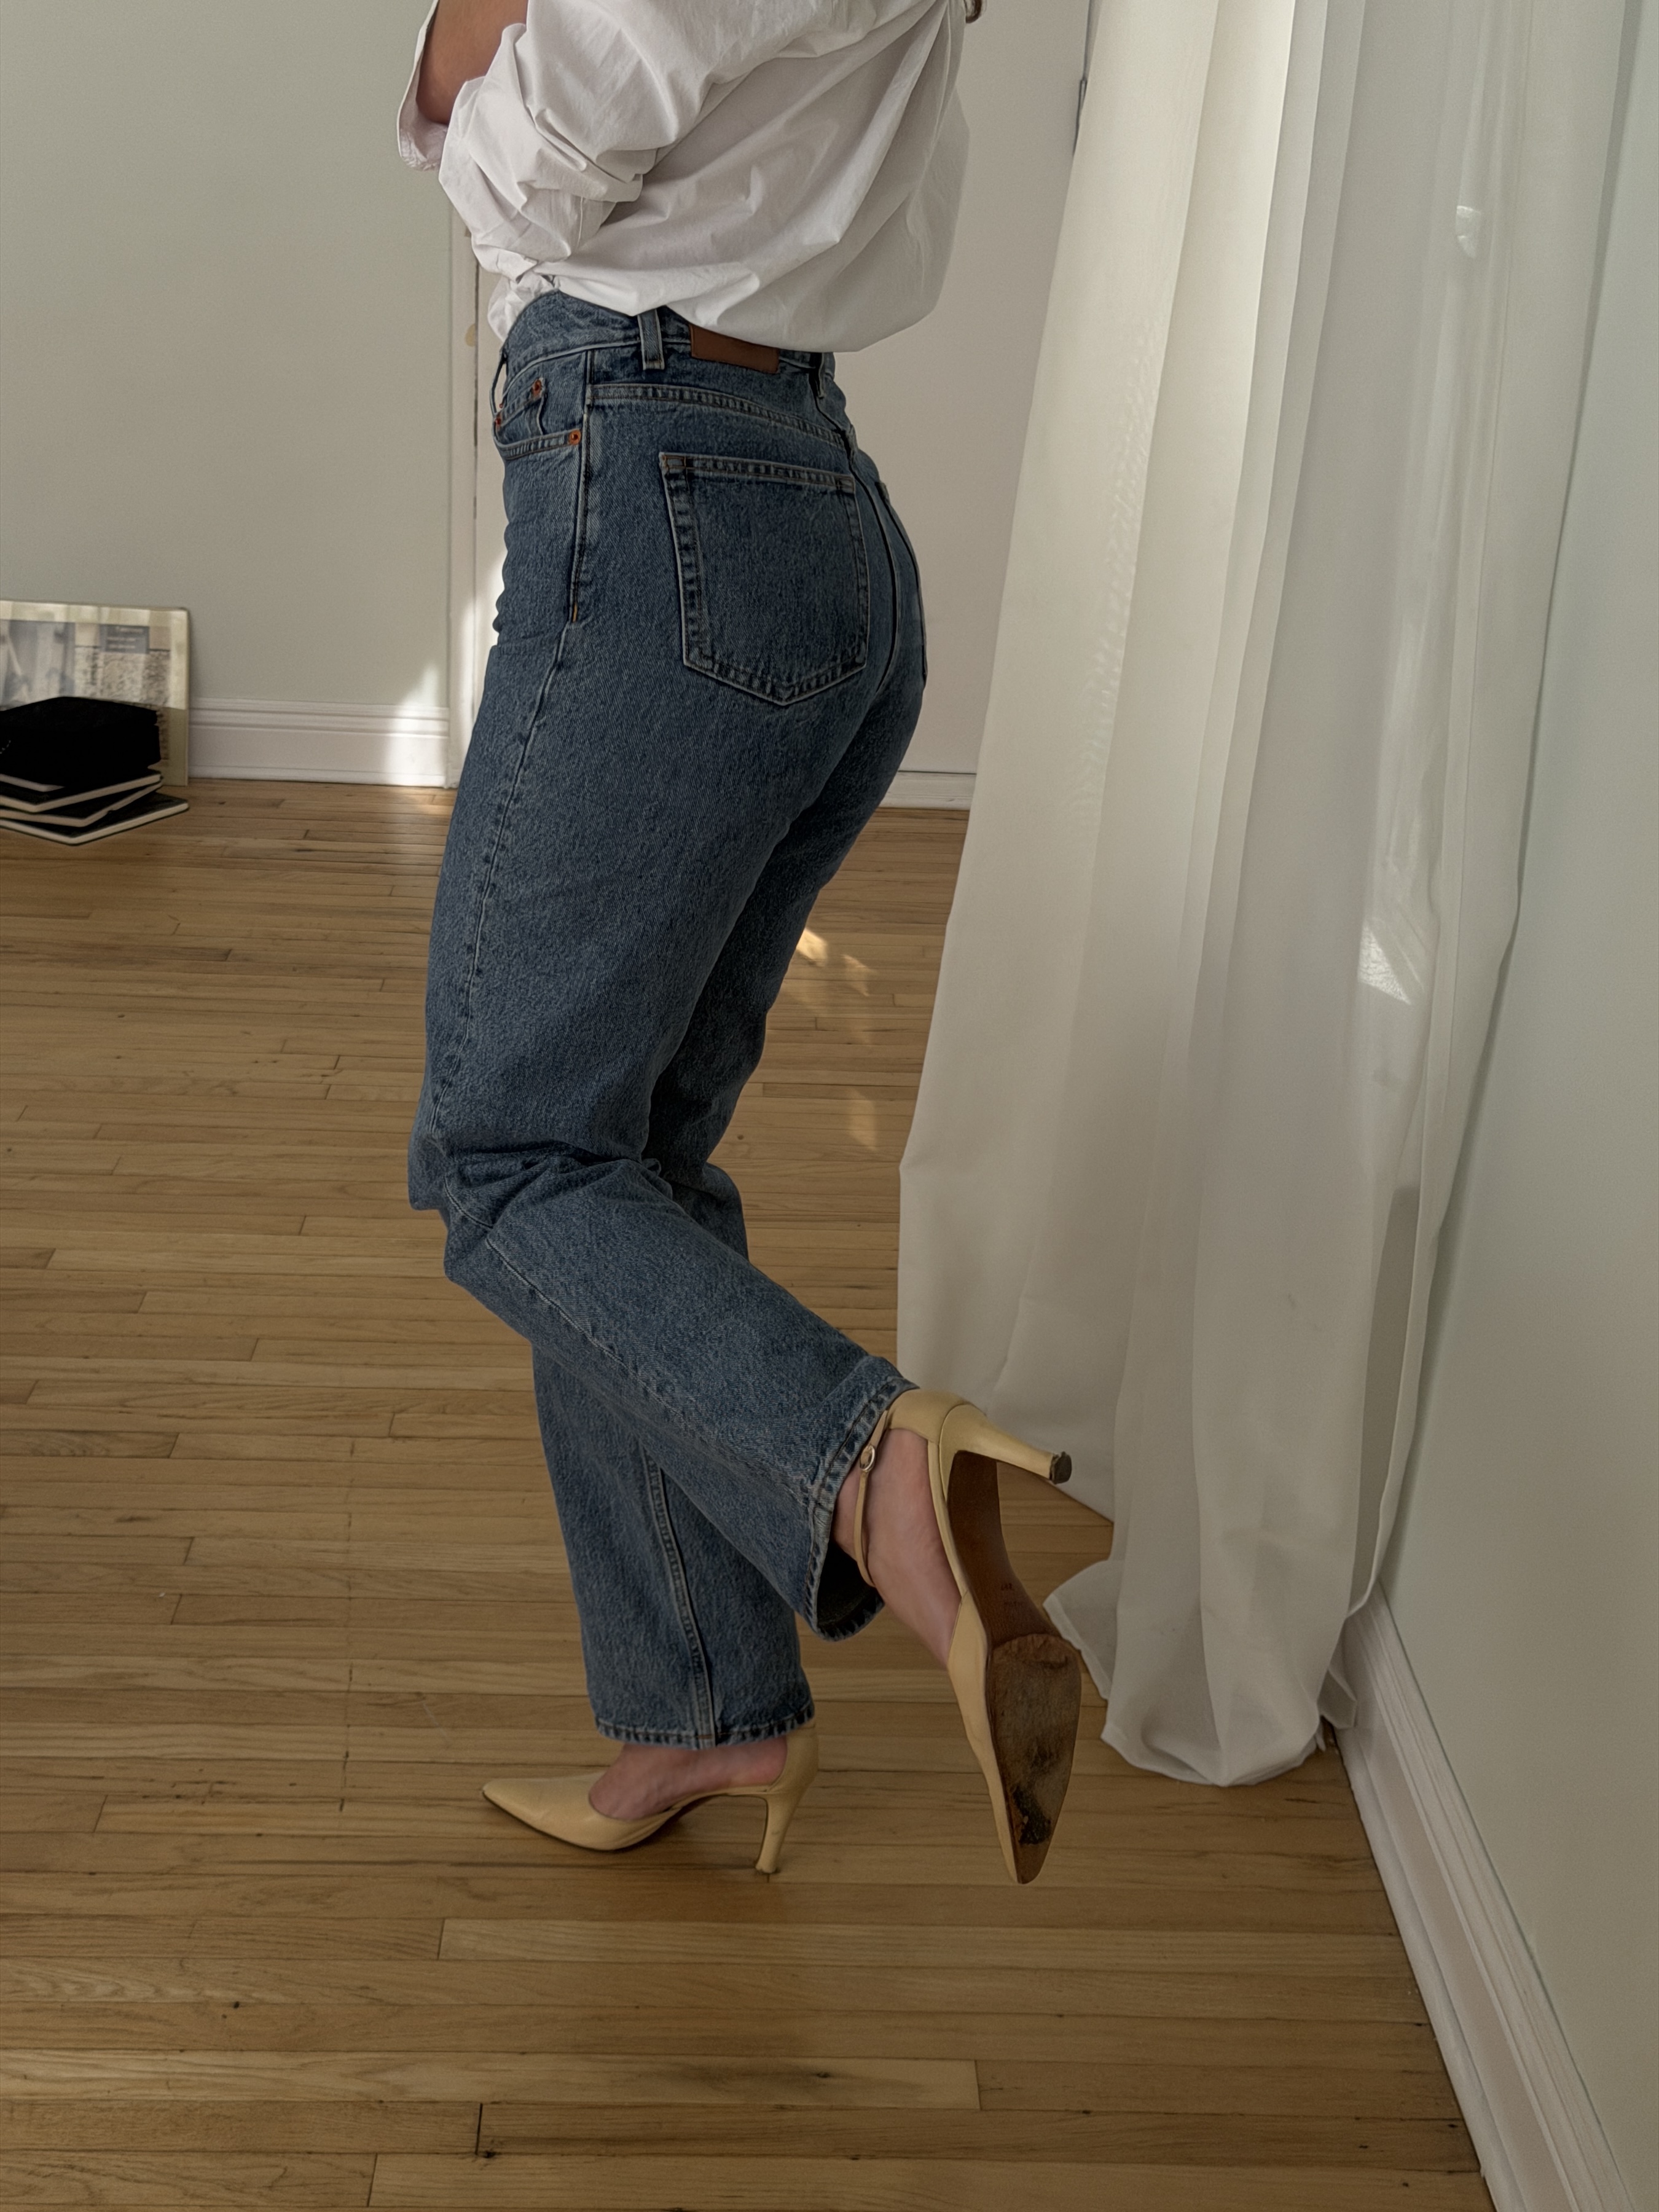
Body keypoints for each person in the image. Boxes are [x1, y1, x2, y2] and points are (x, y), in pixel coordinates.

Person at [401, 0, 1080, 1885]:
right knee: (618, 1161)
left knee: (513, 1159)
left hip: (666, 488)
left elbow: (514, 159)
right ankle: (704, 1710)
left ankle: (881, 1478)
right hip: (798, 502)